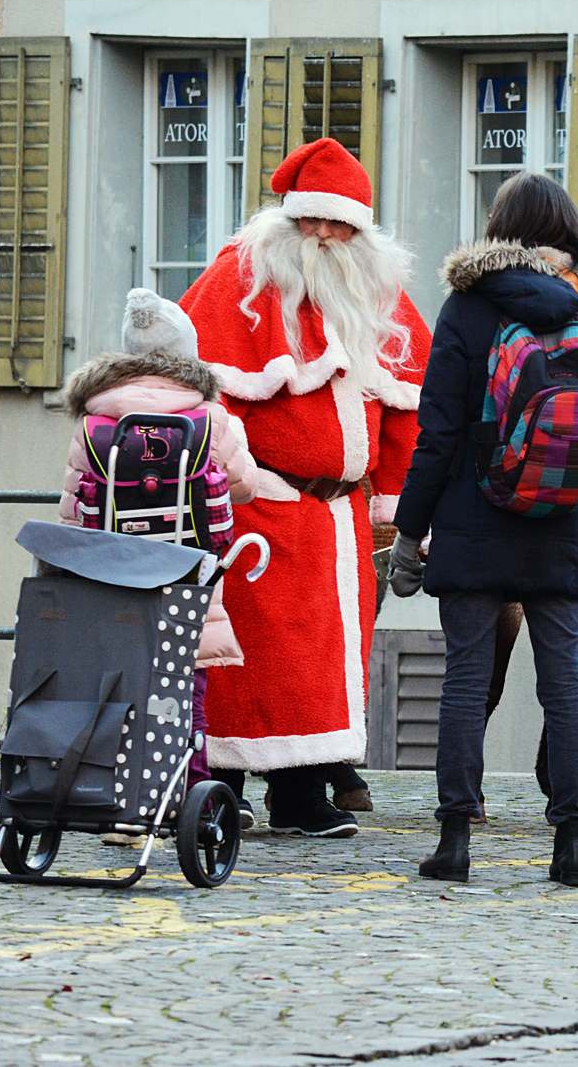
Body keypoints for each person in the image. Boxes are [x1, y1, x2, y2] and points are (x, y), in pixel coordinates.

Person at [180, 138, 431, 838]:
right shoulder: (238, 283)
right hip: (259, 506)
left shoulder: (380, 295)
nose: (322, 237)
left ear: (359, 229)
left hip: (341, 518)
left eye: (338, 224)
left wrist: (395, 500)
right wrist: (241, 479)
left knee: (319, 668)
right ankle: (218, 788)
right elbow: (202, 390)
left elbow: (408, 407)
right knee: (240, 659)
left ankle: (299, 795)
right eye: (311, 222)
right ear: (290, 221)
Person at [387, 173, 578, 887]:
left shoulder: (467, 306)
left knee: (463, 680)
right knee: (564, 688)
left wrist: (408, 532)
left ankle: (455, 839)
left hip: (473, 518)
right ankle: (570, 843)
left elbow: (438, 433)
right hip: (561, 521)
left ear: (497, 229)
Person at [59, 288, 259, 845]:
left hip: (113, 573)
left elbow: (74, 507)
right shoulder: (210, 417)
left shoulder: (95, 420)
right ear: (187, 356)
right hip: (188, 570)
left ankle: (125, 803)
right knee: (183, 683)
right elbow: (241, 487)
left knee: (122, 680)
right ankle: (186, 793)